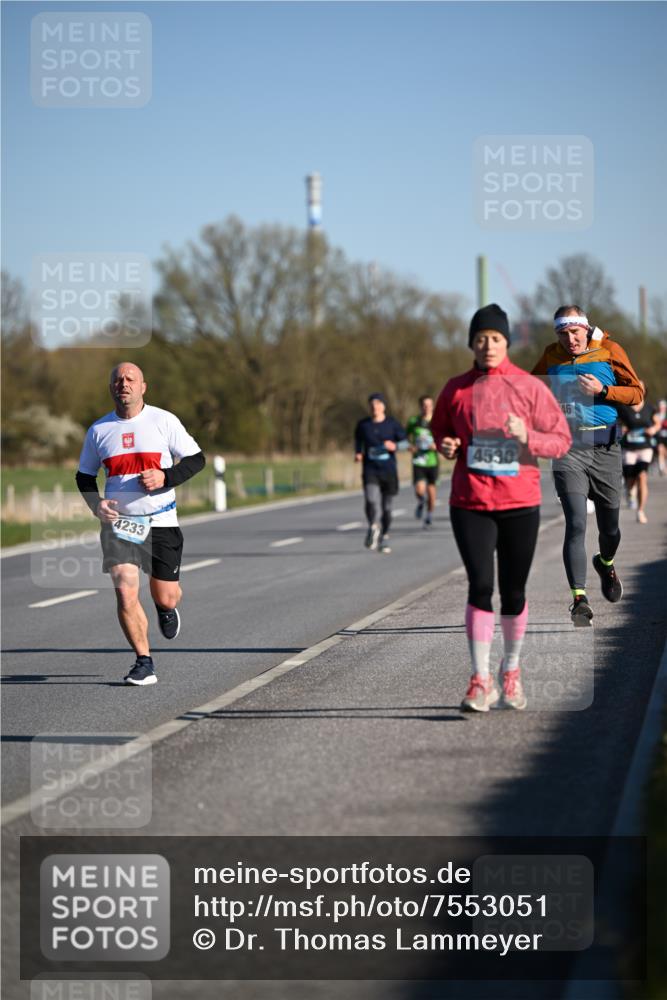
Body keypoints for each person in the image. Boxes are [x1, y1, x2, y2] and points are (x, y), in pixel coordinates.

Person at [431, 304, 571, 712]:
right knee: (479, 586)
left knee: (513, 591)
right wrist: (445, 445)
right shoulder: (455, 389)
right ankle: (480, 680)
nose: (488, 346)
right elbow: (439, 430)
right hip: (470, 501)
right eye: (480, 339)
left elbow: (560, 440)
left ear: (506, 343)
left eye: (495, 339)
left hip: (519, 503)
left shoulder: (529, 387)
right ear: (471, 344)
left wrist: (527, 434)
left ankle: (510, 671)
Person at [76, 362, 205, 686]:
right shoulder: (99, 430)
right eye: (118, 380)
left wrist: (166, 476)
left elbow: (196, 459)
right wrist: (97, 505)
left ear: (143, 387)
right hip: (121, 524)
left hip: (161, 520)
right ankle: (143, 662)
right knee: (124, 588)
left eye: (130, 379)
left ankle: (165, 607)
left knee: (166, 596)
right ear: (111, 389)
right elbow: (84, 476)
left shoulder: (163, 421)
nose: (124, 384)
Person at [532, 307, 643, 625]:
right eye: (562, 334)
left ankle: (605, 562)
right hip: (567, 449)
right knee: (577, 523)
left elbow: (636, 393)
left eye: (574, 332)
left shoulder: (610, 350)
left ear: (585, 328)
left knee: (610, 528)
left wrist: (603, 390)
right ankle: (579, 600)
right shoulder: (550, 356)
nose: (569, 340)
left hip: (606, 450)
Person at [354, 393, 406, 554]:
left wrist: (395, 446)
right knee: (371, 500)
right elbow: (358, 442)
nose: (374, 407)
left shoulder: (392, 424)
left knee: (386, 507)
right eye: (372, 404)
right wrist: (358, 453)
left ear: (383, 406)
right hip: (370, 469)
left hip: (389, 470)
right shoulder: (363, 425)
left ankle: (385, 537)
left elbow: (405, 443)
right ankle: (372, 526)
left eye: (377, 404)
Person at [617, 382, 662, 524]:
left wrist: (654, 430)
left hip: (645, 446)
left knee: (642, 476)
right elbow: (616, 422)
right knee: (630, 480)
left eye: (640, 388)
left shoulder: (649, 407)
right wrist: (621, 428)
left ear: (644, 391)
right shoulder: (623, 407)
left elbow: (657, 423)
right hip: (629, 447)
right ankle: (630, 491)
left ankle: (640, 511)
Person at [406, 395, 439, 528]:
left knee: (431, 492)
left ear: (432, 406)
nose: (427, 408)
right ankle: (421, 502)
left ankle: (429, 515)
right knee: (420, 490)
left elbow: (443, 437)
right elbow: (405, 437)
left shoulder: (437, 421)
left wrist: (437, 445)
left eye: (429, 405)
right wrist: (410, 446)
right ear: (420, 407)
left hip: (432, 461)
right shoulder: (414, 421)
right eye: (424, 405)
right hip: (419, 460)